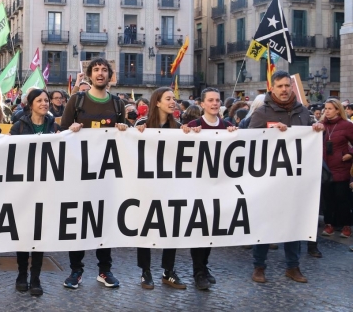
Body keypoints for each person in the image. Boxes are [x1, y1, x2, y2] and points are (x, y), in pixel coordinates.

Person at [248, 70, 324, 283]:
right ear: (272, 87)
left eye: (287, 86)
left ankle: (293, 266)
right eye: (279, 86)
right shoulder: (262, 113)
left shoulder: (303, 112)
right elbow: (249, 141)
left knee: (294, 223)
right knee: (264, 224)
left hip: (294, 180)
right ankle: (259, 266)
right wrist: (271, 131)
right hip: (268, 180)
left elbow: (307, 141)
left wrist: (315, 129)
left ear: (292, 88)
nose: (284, 90)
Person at [60, 58, 128, 290]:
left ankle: (104, 270)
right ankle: (75, 270)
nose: (100, 73)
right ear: (89, 75)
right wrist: (71, 130)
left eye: (104, 70)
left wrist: (124, 129)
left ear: (110, 75)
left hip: (107, 177)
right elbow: (62, 135)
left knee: (104, 222)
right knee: (79, 222)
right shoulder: (76, 101)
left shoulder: (118, 104)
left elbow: (125, 141)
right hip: (80, 176)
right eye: (96, 70)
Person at [181, 88, 238, 290]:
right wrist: (187, 133)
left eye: (217, 100)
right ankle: (198, 272)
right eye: (211, 100)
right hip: (197, 187)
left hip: (219, 187)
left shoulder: (228, 126)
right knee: (199, 230)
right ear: (202, 104)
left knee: (212, 230)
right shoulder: (194, 126)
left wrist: (234, 135)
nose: (215, 103)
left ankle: (204, 266)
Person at [9, 89, 61, 296]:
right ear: (30, 104)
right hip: (24, 189)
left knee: (39, 234)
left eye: (46, 100)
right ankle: (22, 274)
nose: (44, 103)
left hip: (45, 187)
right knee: (23, 233)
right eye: (39, 100)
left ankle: (36, 277)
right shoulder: (18, 126)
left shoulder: (54, 126)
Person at [134, 87, 185, 289]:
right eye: (168, 99)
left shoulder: (179, 126)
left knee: (171, 228)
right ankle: (145, 271)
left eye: (174, 99)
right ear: (157, 102)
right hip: (146, 186)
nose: (173, 102)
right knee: (145, 227)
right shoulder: (142, 124)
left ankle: (168, 270)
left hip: (170, 186)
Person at [319, 99, 353, 239]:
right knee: (328, 199)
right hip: (325, 168)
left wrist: (350, 154)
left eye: (330, 108)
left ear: (338, 110)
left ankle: (346, 226)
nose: (326, 111)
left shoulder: (347, 125)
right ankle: (329, 224)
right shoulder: (320, 126)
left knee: (342, 198)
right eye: (325, 108)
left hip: (341, 168)